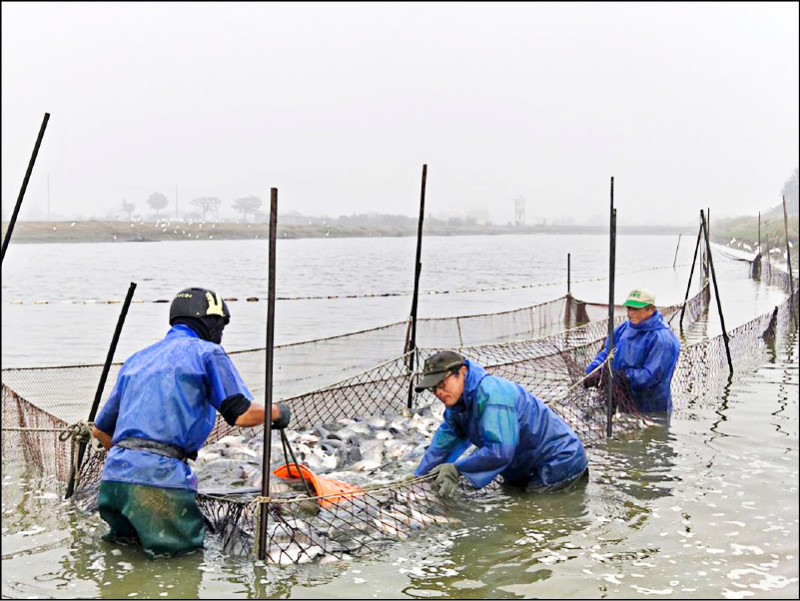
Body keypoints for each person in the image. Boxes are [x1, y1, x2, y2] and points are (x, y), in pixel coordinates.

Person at [91, 287, 291, 559]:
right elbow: (241, 413)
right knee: (179, 565)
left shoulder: (137, 359)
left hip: (114, 481)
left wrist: (134, 462)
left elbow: (100, 430)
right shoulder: (208, 353)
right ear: (210, 323)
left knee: (123, 558)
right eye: (221, 326)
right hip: (160, 482)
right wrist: (277, 412)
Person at [413, 350, 589, 497]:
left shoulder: (492, 395)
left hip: (559, 459)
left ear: (463, 372)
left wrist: (457, 469)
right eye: (432, 388)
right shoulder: (457, 407)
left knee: (530, 515)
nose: (438, 392)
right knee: (512, 502)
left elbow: (500, 451)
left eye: (442, 384)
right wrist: (417, 479)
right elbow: (443, 446)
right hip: (523, 463)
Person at [584, 287, 680, 415]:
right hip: (621, 400)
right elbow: (607, 352)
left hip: (650, 408)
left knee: (649, 434)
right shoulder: (624, 328)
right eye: (629, 308)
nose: (631, 313)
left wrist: (621, 376)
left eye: (636, 309)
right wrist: (595, 370)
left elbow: (651, 376)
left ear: (651, 309)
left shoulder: (662, 340)